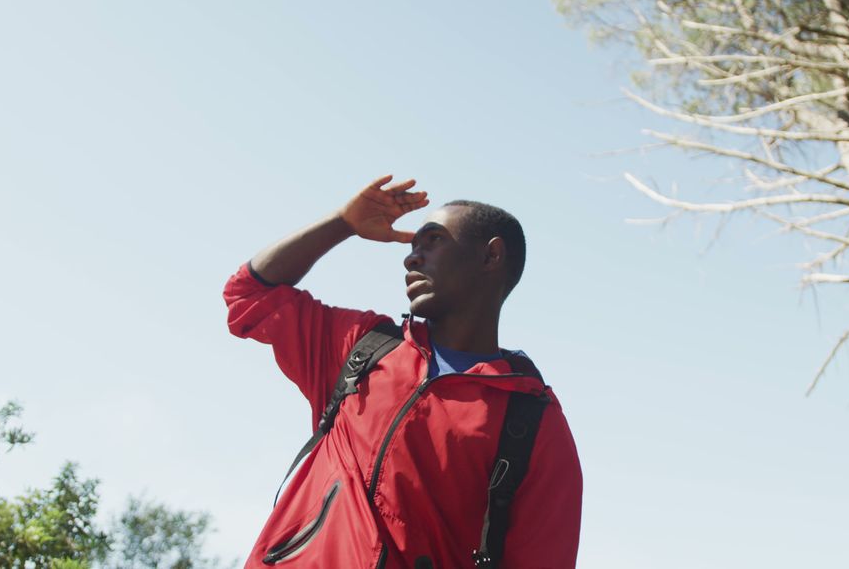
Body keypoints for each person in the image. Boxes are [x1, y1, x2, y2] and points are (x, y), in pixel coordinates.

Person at [224, 175, 582, 568]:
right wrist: (343, 223)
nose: (412, 257)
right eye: (413, 247)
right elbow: (248, 295)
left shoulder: (532, 421)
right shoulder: (363, 346)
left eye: (434, 241)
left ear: (491, 257)